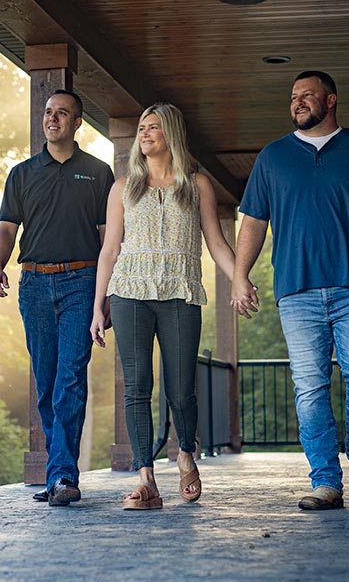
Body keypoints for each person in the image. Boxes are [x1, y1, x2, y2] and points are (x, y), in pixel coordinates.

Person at [231, 71, 349, 511]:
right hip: (297, 290)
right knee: (309, 387)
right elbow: (253, 221)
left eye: (307, 95)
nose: (298, 102)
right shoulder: (273, 157)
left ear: (331, 101)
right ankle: (325, 480)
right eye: (293, 96)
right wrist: (239, 275)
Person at [90, 102, 241, 510]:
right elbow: (109, 249)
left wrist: (240, 279)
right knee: (137, 388)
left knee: (181, 388)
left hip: (179, 292)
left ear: (171, 133)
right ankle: (146, 479)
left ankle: (186, 453)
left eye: (153, 127)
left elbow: (216, 242)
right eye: (141, 127)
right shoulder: (124, 187)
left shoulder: (196, 184)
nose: (145, 133)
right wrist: (97, 306)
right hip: (130, 292)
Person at [0, 89, 115, 507]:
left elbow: (107, 238)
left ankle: (63, 476)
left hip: (83, 281)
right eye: (48, 113)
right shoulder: (22, 174)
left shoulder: (98, 173)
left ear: (78, 122)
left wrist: (106, 293)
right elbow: (6, 228)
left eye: (62, 113)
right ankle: (58, 472)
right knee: (46, 384)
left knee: (69, 379)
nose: (52, 119)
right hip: (35, 285)